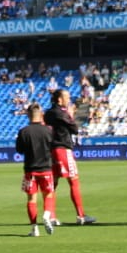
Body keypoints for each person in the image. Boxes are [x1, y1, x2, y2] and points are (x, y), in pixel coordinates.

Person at [44, 88, 96, 225]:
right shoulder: (62, 113)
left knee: (52, 185)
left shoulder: (48, 113)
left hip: (51, 150)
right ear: (60, 99)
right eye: (66, 97)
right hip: (63, 149)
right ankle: (81, 216)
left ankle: (51, 216)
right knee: (74, 180)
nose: (69, 100)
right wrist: (71, 113)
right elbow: (74, 129)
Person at [15, 103, 57, 237]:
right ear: (41, 115)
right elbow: (53, 147)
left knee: (31, 199)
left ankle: (34, 228)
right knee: (48, 194)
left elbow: (19, 150)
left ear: (28, 115)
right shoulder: (49, 130)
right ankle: (47, 214)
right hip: (46, 168)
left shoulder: (23, 131)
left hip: (30, 169)